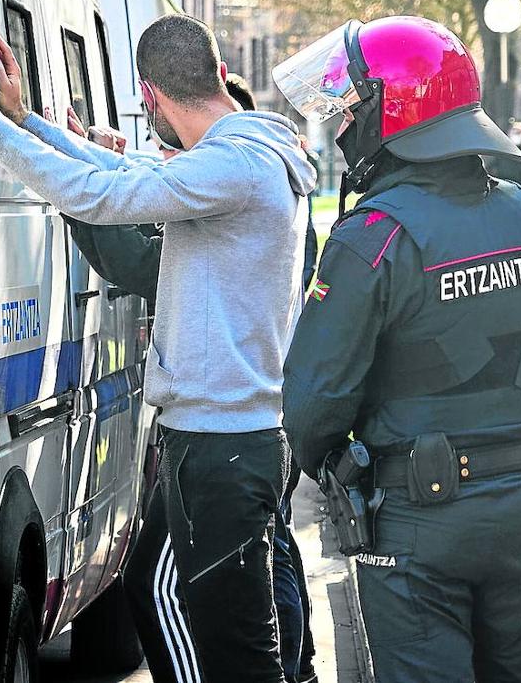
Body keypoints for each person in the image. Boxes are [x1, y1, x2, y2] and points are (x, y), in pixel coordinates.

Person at [0, 14, 315, 683]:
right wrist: (28, 121)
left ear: (149, 96)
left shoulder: (235, 165)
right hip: (217, 440)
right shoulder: (246, 152)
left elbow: (107, 193)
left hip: (221, 447)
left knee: (240, 659)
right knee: (160, 585)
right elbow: (127, 169)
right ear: (218, 76)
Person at [275, 15, 521, 682]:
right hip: (519, 498)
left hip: (416, 509)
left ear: (393, 113)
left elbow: (313, 402)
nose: (341, 126)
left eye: (350, 110)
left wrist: (331, 468)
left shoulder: (372, 237)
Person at [57, 71, 320, 682]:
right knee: (253, 581)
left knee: (185, 599)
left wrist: (87, 189)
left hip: (223, 435)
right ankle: (298, 667)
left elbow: (142, 262)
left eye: (184, 157)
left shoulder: (234, 185)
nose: (174, 165)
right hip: (251, 426)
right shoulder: (271, 176)